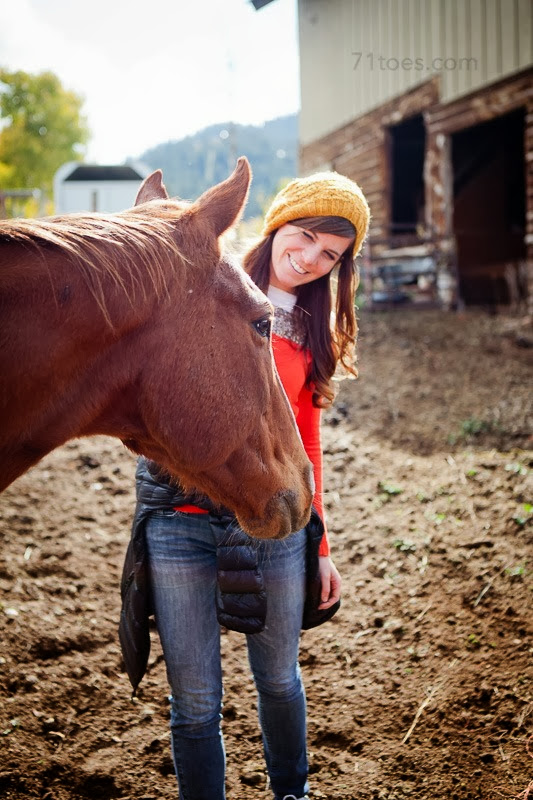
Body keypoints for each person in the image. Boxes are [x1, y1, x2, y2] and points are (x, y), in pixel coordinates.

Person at [119, 171, 370, 800]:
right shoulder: (207, 292)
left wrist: (320, 545)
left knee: (279, 679)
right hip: (180, 521)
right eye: (304, 235)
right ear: (278, 222)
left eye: (330, 254)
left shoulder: (312, 331)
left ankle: (292, 793)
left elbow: (306, 442)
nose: (309, 258)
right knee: (195, 700)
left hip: (272, 520)